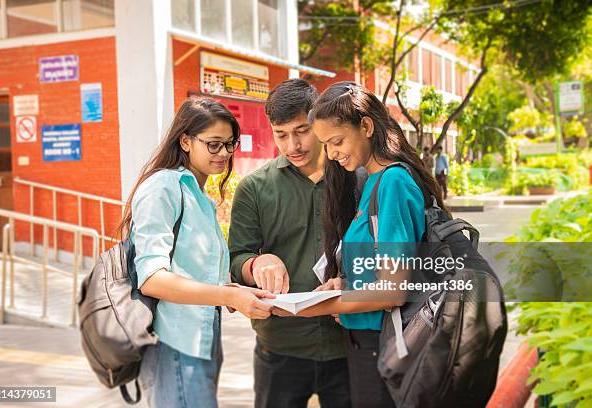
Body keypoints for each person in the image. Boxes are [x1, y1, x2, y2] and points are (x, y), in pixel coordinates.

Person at [273, 82, 449, 408]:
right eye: (326, 144)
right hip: (368, 344)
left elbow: (393, 291)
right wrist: (344, 283)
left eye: (337, 141)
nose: (332, 153)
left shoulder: (393, 183)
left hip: (387, 346)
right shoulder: (372, 183)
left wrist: (313, 305)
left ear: (366, 126)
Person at [119, 98, 275, 408]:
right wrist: (226, 297)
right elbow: (151, 278)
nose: (225, 154)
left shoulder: (195, 191)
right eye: (214, 145)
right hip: (174, 342)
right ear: (186, 141)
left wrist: (231, 290)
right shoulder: (164, 188)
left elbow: (192, 269)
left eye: (230, 145)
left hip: (199, 338)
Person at [229, 79, 351, 408]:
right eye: (281, 134)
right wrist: (257, 263)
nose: (292, 145)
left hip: (349, 346)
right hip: (280, 349)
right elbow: (236, 259)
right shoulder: (254, 188)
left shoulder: (357, 178)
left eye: (301, 131)